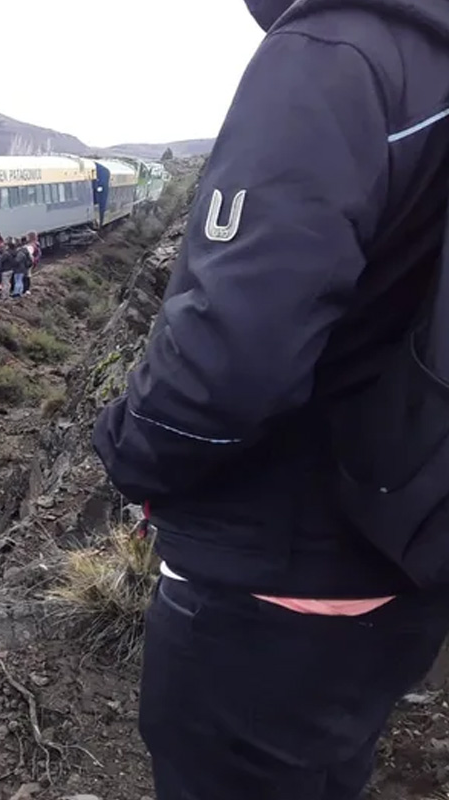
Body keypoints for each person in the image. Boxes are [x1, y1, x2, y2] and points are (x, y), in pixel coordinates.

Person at [91, 1, 449, 798]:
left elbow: (229, 356)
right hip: (402, 560)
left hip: (275, 571)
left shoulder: (333, 54)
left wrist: (129, 447)